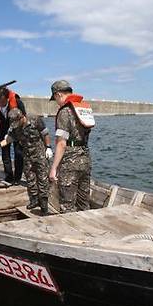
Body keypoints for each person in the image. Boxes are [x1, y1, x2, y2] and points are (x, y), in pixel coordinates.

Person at [48, 80, 95, 213]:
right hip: (85, 159)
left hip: (70, 163)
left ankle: (70, 234)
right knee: (83, 203)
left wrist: (54, 168)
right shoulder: (82, 109)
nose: (56, 102)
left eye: (55, 98)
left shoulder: (64, 112)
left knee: (67, 206)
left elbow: (62, 143)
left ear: (58, 94)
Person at [0, 108, 52, 215]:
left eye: (17, 122)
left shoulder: (34, 119)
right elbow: (10, 138)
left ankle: (44, 206)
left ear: (22, 117)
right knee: (30, 177)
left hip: (40, 153)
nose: (16, 125)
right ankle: (34, 200)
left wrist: (48, 147)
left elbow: (45, 133)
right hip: (27, 154)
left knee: (42, 179)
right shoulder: (14, 125)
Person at [0, 87, 26, 184]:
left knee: (18, 153)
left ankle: (17, 177)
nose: (1, 103)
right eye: (0, 101)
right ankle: (9, 175)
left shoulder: (17, 102)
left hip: (17, 130)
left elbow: (24, 117)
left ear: (7, 99)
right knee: (5, 154)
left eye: (3, 101)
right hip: (3, 130)